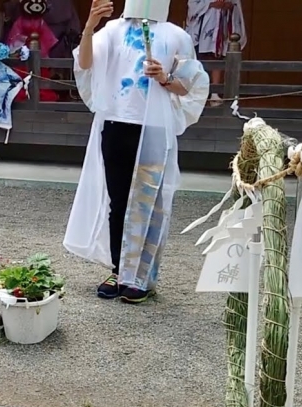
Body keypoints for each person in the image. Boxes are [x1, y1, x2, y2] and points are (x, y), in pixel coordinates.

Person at [62, 0, 210, 304]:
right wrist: (90, 26)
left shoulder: (176, 35)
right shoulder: (112, 30)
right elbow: (86, 64)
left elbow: (191, 86)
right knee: (119, 201)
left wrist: (165, 79)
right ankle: (119, 270)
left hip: (154, 127)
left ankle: (142, 276)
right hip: (117, 122)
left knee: (149, 202)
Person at [186, 0, 247, 106]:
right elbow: (192, 5)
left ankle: (214, 93)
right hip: (203, 25)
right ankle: (197, 93)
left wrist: (229, 6)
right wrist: (210, 4)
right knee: (199, 59)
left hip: (222, 23)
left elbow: (236, 5)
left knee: (217, 57)